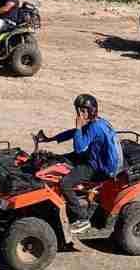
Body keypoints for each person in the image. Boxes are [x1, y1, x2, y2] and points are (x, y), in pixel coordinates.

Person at [35, 94, 123, 234]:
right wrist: (50, 139)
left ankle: (82, 218)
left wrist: (78, 128)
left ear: (92, 110)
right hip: (93, 158)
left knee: (65, 182)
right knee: (58, 160)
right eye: (78, 110)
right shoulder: (97, 121)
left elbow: (79, 147)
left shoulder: (95, 127)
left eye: (83, 110)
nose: (80, 114)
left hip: (98, 168)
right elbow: (73, 133)